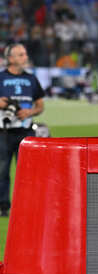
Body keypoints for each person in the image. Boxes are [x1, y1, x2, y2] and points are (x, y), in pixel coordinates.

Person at [0, 43, 45, 216]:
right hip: (3, 131)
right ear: (11, 58)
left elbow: (40, 105)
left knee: (27, 172)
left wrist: (30, 111)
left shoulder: (32, 79)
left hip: (26, 132)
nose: (25, 57)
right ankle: (3, 206)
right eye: (21, 54)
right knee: (2, 171)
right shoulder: (1, 77)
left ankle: (26, 206)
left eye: (25, 54)